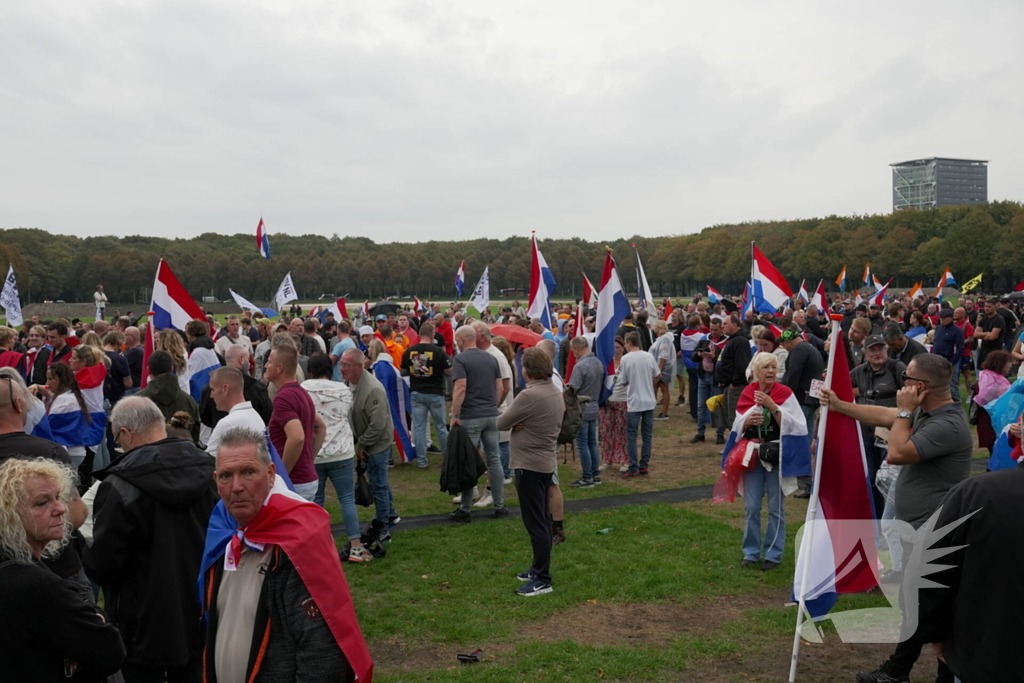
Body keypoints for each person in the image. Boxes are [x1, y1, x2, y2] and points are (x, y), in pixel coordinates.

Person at [820, 355, 972, 683]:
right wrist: (840, 405)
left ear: (920, 386)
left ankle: (908, 672)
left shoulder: (948, 425)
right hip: (920, 529)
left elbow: (897, 452)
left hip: (936, 533)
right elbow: (884, 415)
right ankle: (902, 671)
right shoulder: (928, 413)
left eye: (906, 377)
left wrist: (903, 411)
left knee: (929, 605)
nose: (902, 382)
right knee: (919, 603)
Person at [201, 428, 373, 682]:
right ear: (216, 481)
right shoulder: (222, 538)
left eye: (248, 472)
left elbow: (321, 653)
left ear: (271, 474)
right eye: (226, 476)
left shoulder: (296, 547)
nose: (236, 487)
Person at [84, 396, 220, 682]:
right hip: (202, 608)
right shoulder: (211, 470)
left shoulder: (120, 485)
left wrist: (80, 547)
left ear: (125, 433)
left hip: (141, 619)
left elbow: (103, 564)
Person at [0, 457, 127, 682]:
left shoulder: (22, 570)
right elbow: (110, 651)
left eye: (58, 498)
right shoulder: (34, 584)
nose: (60, 509)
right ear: (9, 514)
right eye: (42, 503)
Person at [914, 460, 1024, 682]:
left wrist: (935, 631)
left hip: (986, 657)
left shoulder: (975, 493)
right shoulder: (973, 493)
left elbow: (932, 570)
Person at [726, 353, 811, 570]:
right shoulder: (748, 392)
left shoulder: (785, 393)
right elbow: (737, 424)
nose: (771, 371)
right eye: (766, 367)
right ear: (757, 371)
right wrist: (747, 422)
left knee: (776, 507)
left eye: (774, 367)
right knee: (752, 507)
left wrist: (773, 407)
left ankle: (773, 554)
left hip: (776, 456)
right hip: (753, 456)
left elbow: (797, 426)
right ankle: (751, 553)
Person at [498, 347, 564, 597]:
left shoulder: (529, 395)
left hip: (530, 465)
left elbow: (501, 422)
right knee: (542, 519)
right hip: (544, 462)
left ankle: (543, 578)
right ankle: (537, 568)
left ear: (527, 370)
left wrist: (517, 422)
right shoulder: (554, 389)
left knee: (536, 523)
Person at [301, 354, 369, 562]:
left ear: (310, 371)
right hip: (342, 452)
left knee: (316, 502)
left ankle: (317, 546)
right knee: (347, 500)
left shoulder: (303, 390)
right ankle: (356, 547)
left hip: (315, 453)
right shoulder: (344, 389)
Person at [448, 325, 506, 521]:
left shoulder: (461, 359)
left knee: (468, 461)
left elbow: (460, 387)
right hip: (491, 414)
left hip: (471, 415)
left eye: (456, 340)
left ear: (461, 339)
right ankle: (500, 505)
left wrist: (454, 414)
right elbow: (500, 387)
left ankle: (465, 509)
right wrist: (492, 406)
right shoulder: (491, 358)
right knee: (494, 460)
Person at [341, 348, 400, 532]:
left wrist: (361, 445)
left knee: (378, 484)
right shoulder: (348, 382)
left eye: (347, 365)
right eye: (341, 364)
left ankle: (382, 527)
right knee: (378, 479)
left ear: (359, 366)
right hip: (366, 439)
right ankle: (391, 514)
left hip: (377, 443)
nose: (342, 368)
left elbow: (378, 424)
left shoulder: (372, 389)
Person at [850, 335, 906, 516]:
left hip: (891, 432)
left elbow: (910, 392)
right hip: (866, 433)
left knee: (890, 477)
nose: (877, 353)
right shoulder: (858, 372)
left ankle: (892, 516)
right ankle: (876, 517)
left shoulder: (897, 368)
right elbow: (842, 388)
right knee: (871, 476)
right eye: (872, 350)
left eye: (880, 349)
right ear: (865, 353)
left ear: (886, 350)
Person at [264, 344, 325, 502]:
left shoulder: (283, 398)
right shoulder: (301, 392)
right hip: (306, 476)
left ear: (279, 368)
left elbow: (297, 437)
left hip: (295, 482)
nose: (265, 365)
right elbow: (320, 426)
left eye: (269, 362)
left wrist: (281, 476)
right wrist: (310, 457)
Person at [401, 321, 450, 469]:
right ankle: (447, 460)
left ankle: (422, 461)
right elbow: (449, 372)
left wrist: (415, 370)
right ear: (432, 335)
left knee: (419, 427)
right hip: (435, 392)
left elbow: (403, 372)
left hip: (417, 392)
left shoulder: (410, 351)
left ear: (419, 334)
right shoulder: (438, 351)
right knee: (441, 427)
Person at [618, 332, 660, 478]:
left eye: (625, 343)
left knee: (631, 435)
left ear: (629, 342)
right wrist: (649, 383)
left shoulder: (626, 359)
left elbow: (623, 381)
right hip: (648, 400)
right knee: (647, 436)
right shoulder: (649, 356)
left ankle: (633, 466)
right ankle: (644, 465)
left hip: (634, 401)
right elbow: (657, 375)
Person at [138, 349, 201, 443]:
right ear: (171, 368)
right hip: (183, 450)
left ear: (148, 370)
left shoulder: (138, 401)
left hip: (148, 450)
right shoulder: (188, 400)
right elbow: (195, 436)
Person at [205, 366, 268, 458]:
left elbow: (207, 461)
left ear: (225, 389)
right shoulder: (254, 416)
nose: (211, 395)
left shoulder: (228, 423)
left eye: (213, 389)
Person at [567, 335, 603, 488]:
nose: (573, 354)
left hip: (581, 407)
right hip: (594, 405)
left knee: (582, 444)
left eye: (572, 351)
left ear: (577, 348)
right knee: (592, 442)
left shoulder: (580, 366)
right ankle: (595, 474)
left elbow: (573, 389)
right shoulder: (598, 362)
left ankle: (587, 477)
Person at [691, 318, 727, 444]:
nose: (713, 332)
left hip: (716, 377)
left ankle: (720, 433)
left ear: (721, 328)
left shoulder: (726, 342)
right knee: (701, 405)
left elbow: (726, 360)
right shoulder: (705, 339)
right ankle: (700, 432)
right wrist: (699, 354)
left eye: (716, 329)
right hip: (703, 375)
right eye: (711, 329)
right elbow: (693, 355)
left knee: (718, 405)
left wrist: (714, 357)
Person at [716, 315, 752, 439]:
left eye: (725, 323)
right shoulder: (732, 339)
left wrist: (735, 383)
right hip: (728, 384)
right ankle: (733, 441)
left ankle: (737, 443)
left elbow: (741, 364)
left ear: (735, 325)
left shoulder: (740, 341)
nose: (722, 326)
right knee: (728, 416)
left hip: (736, 386)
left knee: (734, 417)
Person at [971, 349, 1013, 456]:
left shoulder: (986, 376)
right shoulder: (990, 381)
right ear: (1000, 364)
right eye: (1008, 363)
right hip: (990, 422)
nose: (1010, 365)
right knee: (996, 453)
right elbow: (987, 397)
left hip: (990, 421)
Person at [599, 336, 630, 470]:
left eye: (617, 347)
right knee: (606, 432)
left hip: (622, 399)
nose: (615, 350)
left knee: (622, 431)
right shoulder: (607, 362)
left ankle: (625, 460)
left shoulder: (626, 362)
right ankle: (607, 459)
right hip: (607, 401)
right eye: (613, 348)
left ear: (623, 348)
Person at [931, 308, 965, 402]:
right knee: (937, 384)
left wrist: (952, 362)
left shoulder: (957, 331)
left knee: (952, 386)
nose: (942, 320)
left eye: (944, 318)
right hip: (937, 361)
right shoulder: (938, 328)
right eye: (940, 318)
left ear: (950, 318)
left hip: (950, 361)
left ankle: (957, 406)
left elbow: (960, 348)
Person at [649, 319, 676, 420]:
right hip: (657, 367)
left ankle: (664, 412)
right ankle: (651, 410)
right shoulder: (660, 339)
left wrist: (659, 369)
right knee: (654, 388)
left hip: (663, 368)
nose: (654, 328)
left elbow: (663, 355)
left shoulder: (665, 339)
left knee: (664, 389)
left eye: (655, 326)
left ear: (660, 328)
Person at [973, 299, 1004, 370]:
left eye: (989, 307)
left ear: (995, 307)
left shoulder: (999, 319)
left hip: (995, 351)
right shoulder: (983, 320)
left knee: (993, 371)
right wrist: (988, 333)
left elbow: (992, 337)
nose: (986, 308)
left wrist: (982, 335)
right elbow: (976, 334)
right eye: (985, 306)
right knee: (983, 371)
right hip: (983, 349)